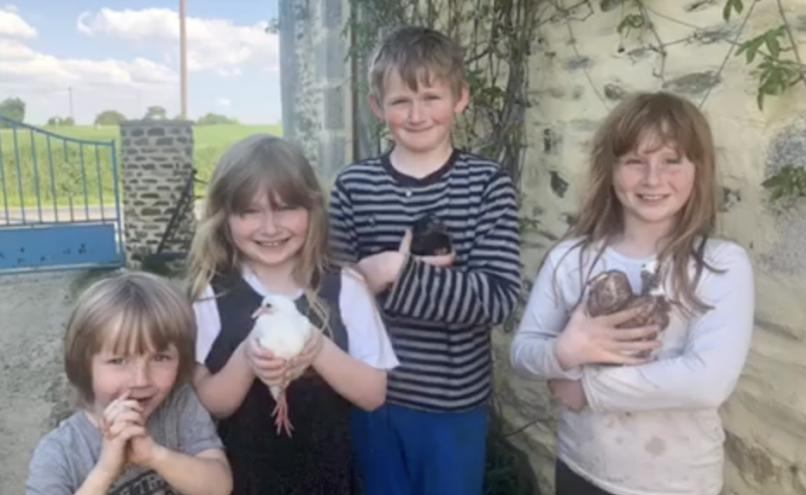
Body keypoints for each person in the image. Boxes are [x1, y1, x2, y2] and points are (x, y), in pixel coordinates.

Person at [510, 92, 754, 495]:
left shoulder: (719, 265)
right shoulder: (570, 259)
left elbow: (708, 380)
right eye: (635, 161)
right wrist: (563, 352)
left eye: (672, 161)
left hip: (676, 483)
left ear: (698, 170)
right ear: (610, 169)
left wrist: (590, 389)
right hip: (581, 468)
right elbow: (523, 353)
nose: (653, 179)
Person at [329, 26, 522, 495]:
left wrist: (396, 273)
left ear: (460, 98)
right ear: (377, 106)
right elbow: (331, 297)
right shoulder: (354, 187)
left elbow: (497, 298)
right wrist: (364, 276)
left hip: (454, 408)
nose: (417, 115)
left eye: (431, 97)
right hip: (374, 397)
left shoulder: (486, 184)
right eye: (401, 101)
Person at [188, 134, 398, 495]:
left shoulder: (345, 286)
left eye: (285, 208)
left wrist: (317, 348)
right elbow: (212, 405)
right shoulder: (211, 294)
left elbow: (373, 394)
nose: (270, 227)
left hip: (328, 479)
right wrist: (246, 358)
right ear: (224, 217)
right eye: (249, 211)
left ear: (312, 209)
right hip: (242, 481)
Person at [26, 271, 232, 495]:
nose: (141, 380)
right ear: (83, 364)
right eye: (118, 361)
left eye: (160, 358)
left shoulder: (178, 406)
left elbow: (220, 487)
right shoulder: (59, 452)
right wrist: (105, 471)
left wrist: (154, 456)